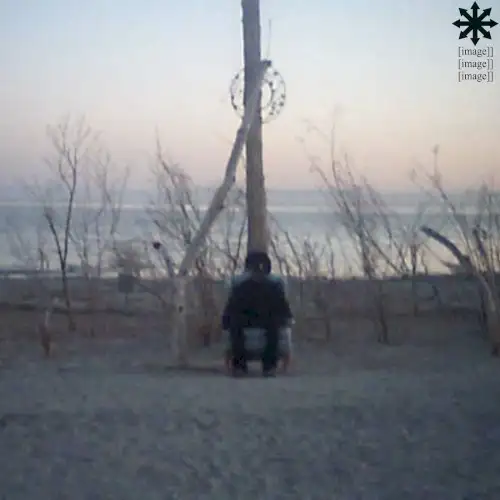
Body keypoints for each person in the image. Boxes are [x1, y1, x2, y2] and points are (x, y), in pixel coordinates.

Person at [222, 251, 293, 377]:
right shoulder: (241, 287)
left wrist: (286, 318)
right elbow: (232, 306)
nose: (258, 272)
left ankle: (269, 367)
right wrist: (226, 320)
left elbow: (282, 306)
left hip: (267, 318)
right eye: (255, 268)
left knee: (274, 325)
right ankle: (239, 366)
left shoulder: (274, 287)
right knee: (235, 324)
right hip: (246, 318)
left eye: (261, 268)